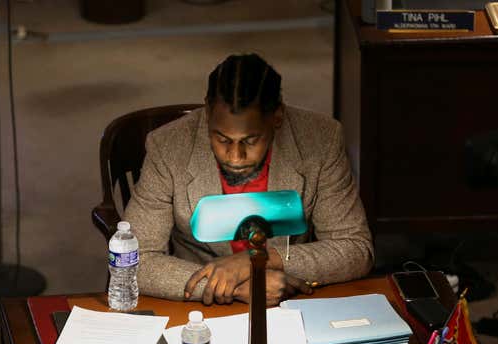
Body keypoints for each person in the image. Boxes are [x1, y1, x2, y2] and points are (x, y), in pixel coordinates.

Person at [124, 53, 373, 305]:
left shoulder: (321, 139)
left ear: (277, 117)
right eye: (222, 139)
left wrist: (261, 259)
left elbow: (355, 249)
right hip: (200, 310)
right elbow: (134, 260)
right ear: (207, 113)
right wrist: (235, 286)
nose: (235, 157)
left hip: (288, 301)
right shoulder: (168, 146)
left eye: (250, 141)